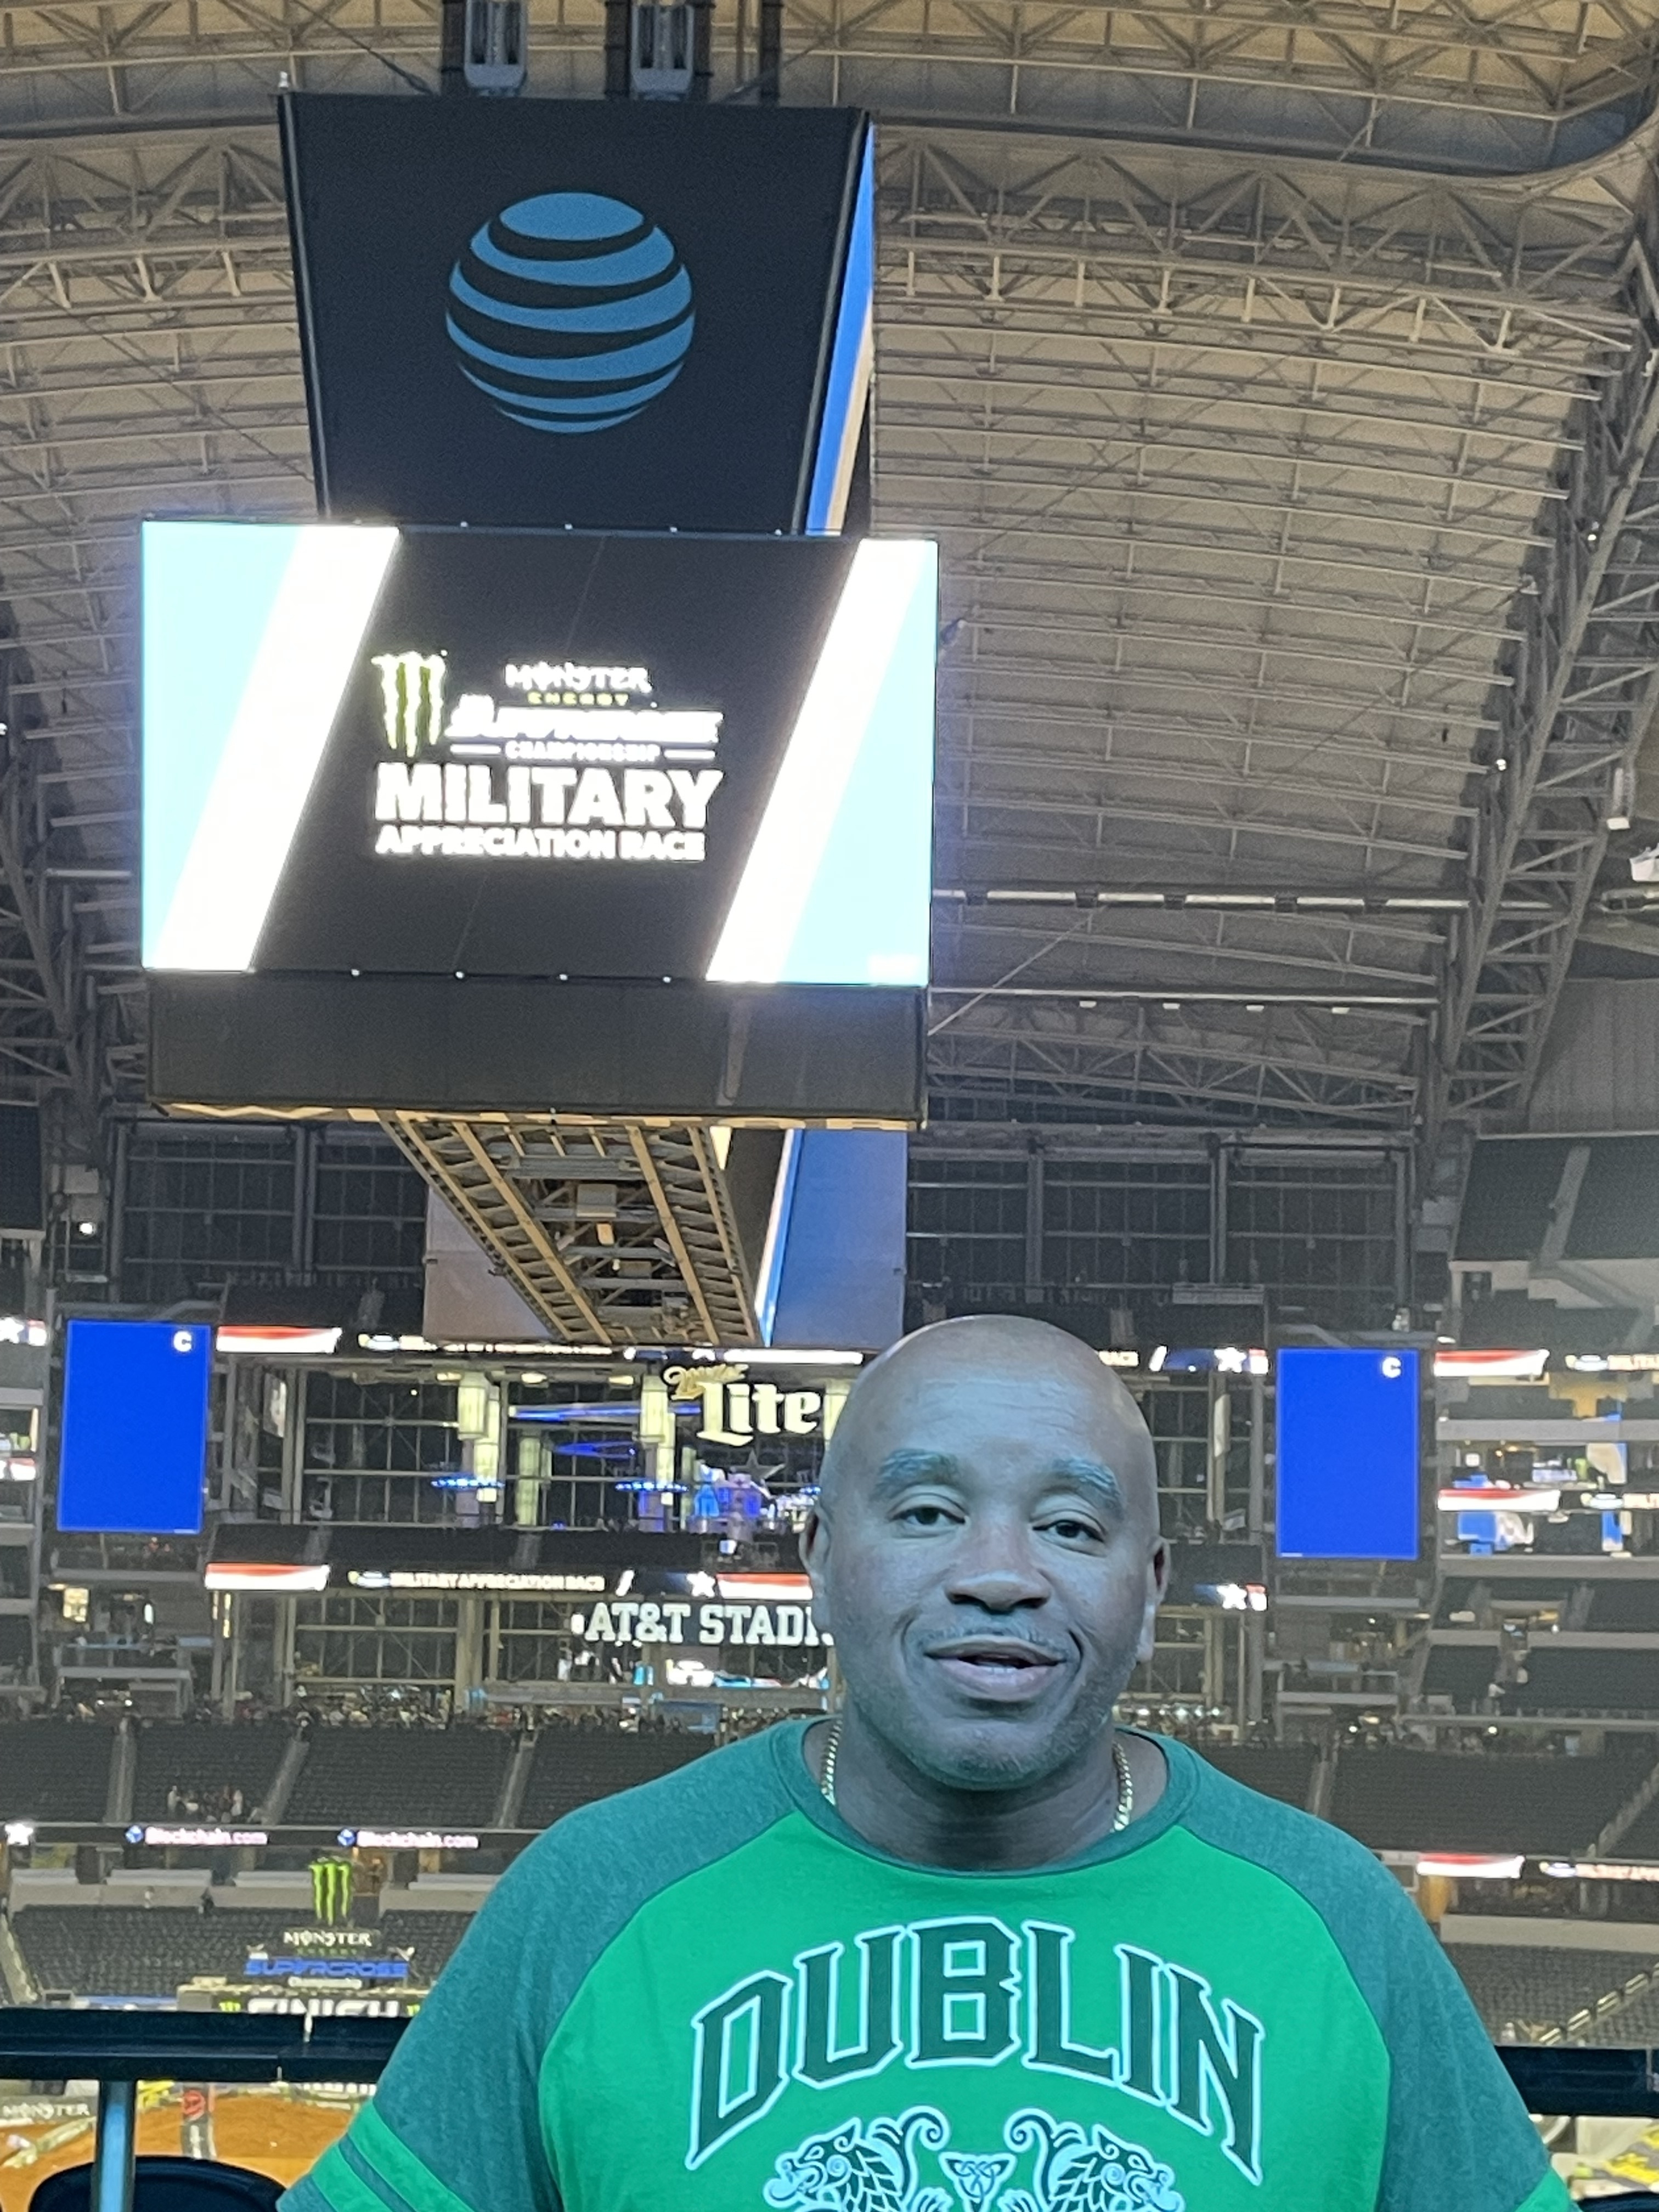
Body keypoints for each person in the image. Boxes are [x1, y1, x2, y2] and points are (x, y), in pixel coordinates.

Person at [279, 1316, 1568, 2212]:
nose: (999, 1575)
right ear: (820, 1559)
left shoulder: (1339, 1921)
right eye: (929, 1512)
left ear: (1150, 1589)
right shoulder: (595, 1894)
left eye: (1072, 1527)